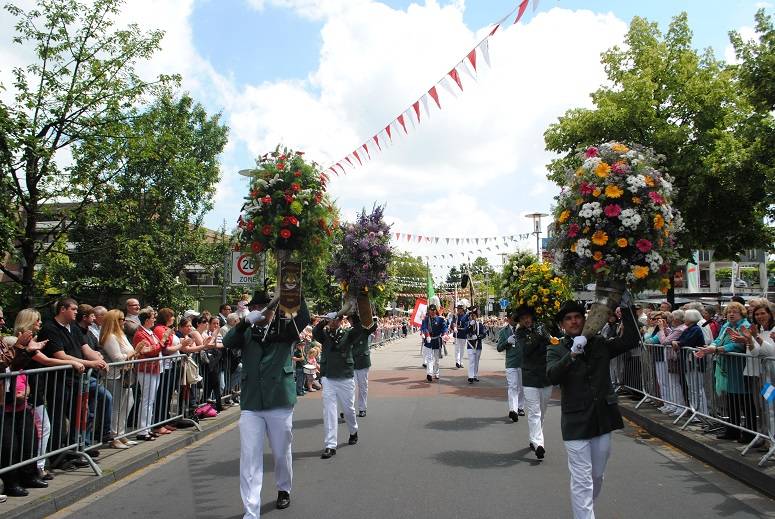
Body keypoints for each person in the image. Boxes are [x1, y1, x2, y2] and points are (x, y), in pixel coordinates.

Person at [547, 301, 640, 519]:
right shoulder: (555, 347)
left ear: (585, 319)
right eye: (568, 318)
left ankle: (585, 508)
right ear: (562, 324)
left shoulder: (599, 343)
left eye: (577, 317)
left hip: (602, 418)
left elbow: (631, 339)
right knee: (582, 479)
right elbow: (551, 376)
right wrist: (571, 354)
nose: (573, 321)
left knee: (596, 476)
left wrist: (627, 307)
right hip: (575, 421)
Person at [223, 287, 311, 517]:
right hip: (252, 402)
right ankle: (251, 511)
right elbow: (227, 342)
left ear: (272, 310)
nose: (258, 311)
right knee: (249, 457)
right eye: (253, 308)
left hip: (278, 400)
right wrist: (243, 322)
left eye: (262, 307)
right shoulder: (246, 330)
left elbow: (304, 318)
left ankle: (283, 488)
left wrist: (293, 288)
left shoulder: (284, 327)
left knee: (281, 452)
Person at [35, 298, 108, 467]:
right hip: (59, 380)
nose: (76, 312)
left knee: (80, 416)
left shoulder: (73, 327)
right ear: (62, 309)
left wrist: (99, 359)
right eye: (73, 309)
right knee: (58, 418)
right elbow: (60, 355)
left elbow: (86, 349)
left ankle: (71, 451)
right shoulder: (50, 328)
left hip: (76, 379)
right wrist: (90, 364)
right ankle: (56, 457)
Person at [695, 302, 751, 441]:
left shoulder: (745, 325)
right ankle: (732, 430)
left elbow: (738, 345)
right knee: (731, 401)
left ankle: (749, 433)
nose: (731, 314)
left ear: (741, 313)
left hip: (741, 368)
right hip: (728, 368)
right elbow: (718, 340)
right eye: (729, 312)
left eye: (735, 312)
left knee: (745, 402)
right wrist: (711, 347)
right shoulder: (726, 325)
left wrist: (716, 349)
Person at [515, 305, 552, 460]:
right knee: (534, 412)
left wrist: (548, 330)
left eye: (528, 317)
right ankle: (539, 444)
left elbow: (553, 343)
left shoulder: (542, 328)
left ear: (532, 317)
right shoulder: (520, 333)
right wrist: (539, 335)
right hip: (530, 377)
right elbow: (526, 350)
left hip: (545, 376)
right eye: (523, 319)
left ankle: (534, 438)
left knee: (542, 411)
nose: (526, 320)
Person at [99, 309, 137, 449]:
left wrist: (134, 352)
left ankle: (121, 434)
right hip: (114, 375)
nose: (124, 321)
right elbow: (117, 358)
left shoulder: (120, 335)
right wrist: (136, 351)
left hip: (125, 374)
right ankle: (114, 436)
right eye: (122, 319)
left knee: (128, 402)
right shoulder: (110, 336)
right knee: (116, 406)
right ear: (115, 321)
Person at [132, 307, 164, 441]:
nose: (154, 320)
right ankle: (142, 430)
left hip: (154, 368)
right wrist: (162, 341)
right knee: (146, 400)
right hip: (146, 369)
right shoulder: (140, 333)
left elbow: (155, 348)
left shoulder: (150, 332)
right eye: (152, 318)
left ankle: (147, 428)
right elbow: (149, 351)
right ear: (146, 320)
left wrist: (159, 344)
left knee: (150, 400)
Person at [496, 310, 524, 422]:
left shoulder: (523, 330)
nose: (515, 320)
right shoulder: (503, 332)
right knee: (513, 386)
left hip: (522, 362)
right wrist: (507, 341)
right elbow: (499, 348)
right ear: (508, 319)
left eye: (516, 318)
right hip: (511, 363)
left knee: (521, 387)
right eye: (513, 318)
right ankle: (513, 410)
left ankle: (520, 407)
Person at [351, 313, 378, 417]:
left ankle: (362, 408)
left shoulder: (364, 330)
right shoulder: (350, 331)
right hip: (353, 362)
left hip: (362, 362)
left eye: (350, 320)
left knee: (362, 386)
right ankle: (349, 409)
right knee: (351, 387)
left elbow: (374, 326)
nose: (349, 322)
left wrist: (371, 315)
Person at [420, 304, 447, 382]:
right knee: (429, 358)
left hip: (437, 341)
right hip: (429, 341)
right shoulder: (426, 319)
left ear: (436, 311)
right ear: (429, 311)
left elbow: (444, 328)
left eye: (433, 310)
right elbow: (424, 327)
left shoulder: (440, 319)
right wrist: (426, 335)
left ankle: (436, 372)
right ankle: (429, 373)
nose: (432, 312)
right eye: (431, 310)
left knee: (437, 360)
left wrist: (445, 334)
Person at [466, 308, 485, 383]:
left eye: (474, 315)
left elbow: (484, 334)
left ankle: (475, 375)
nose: (472, 317)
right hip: (470, 345)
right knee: (471, 361)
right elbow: (465, 331)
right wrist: (470, 326)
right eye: (471, 315)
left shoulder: (480, 325)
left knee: (476, 361)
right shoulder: (468, 324)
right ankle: (470, 376)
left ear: (476, 317)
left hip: (478, 345)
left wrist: (478, 337)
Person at [452, 303, 469, 369]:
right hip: (457, 334)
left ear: (462, 309)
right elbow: (453, 322)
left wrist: (459, 327)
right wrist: (455, 327)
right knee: (457, 348)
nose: (458, 310)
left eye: (460, 309)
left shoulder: (466, 316)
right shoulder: (455, 315)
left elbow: (466, 325)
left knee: (462, 349)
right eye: (458, 309)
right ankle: (457, 361)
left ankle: (461, 361)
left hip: (463, 334)